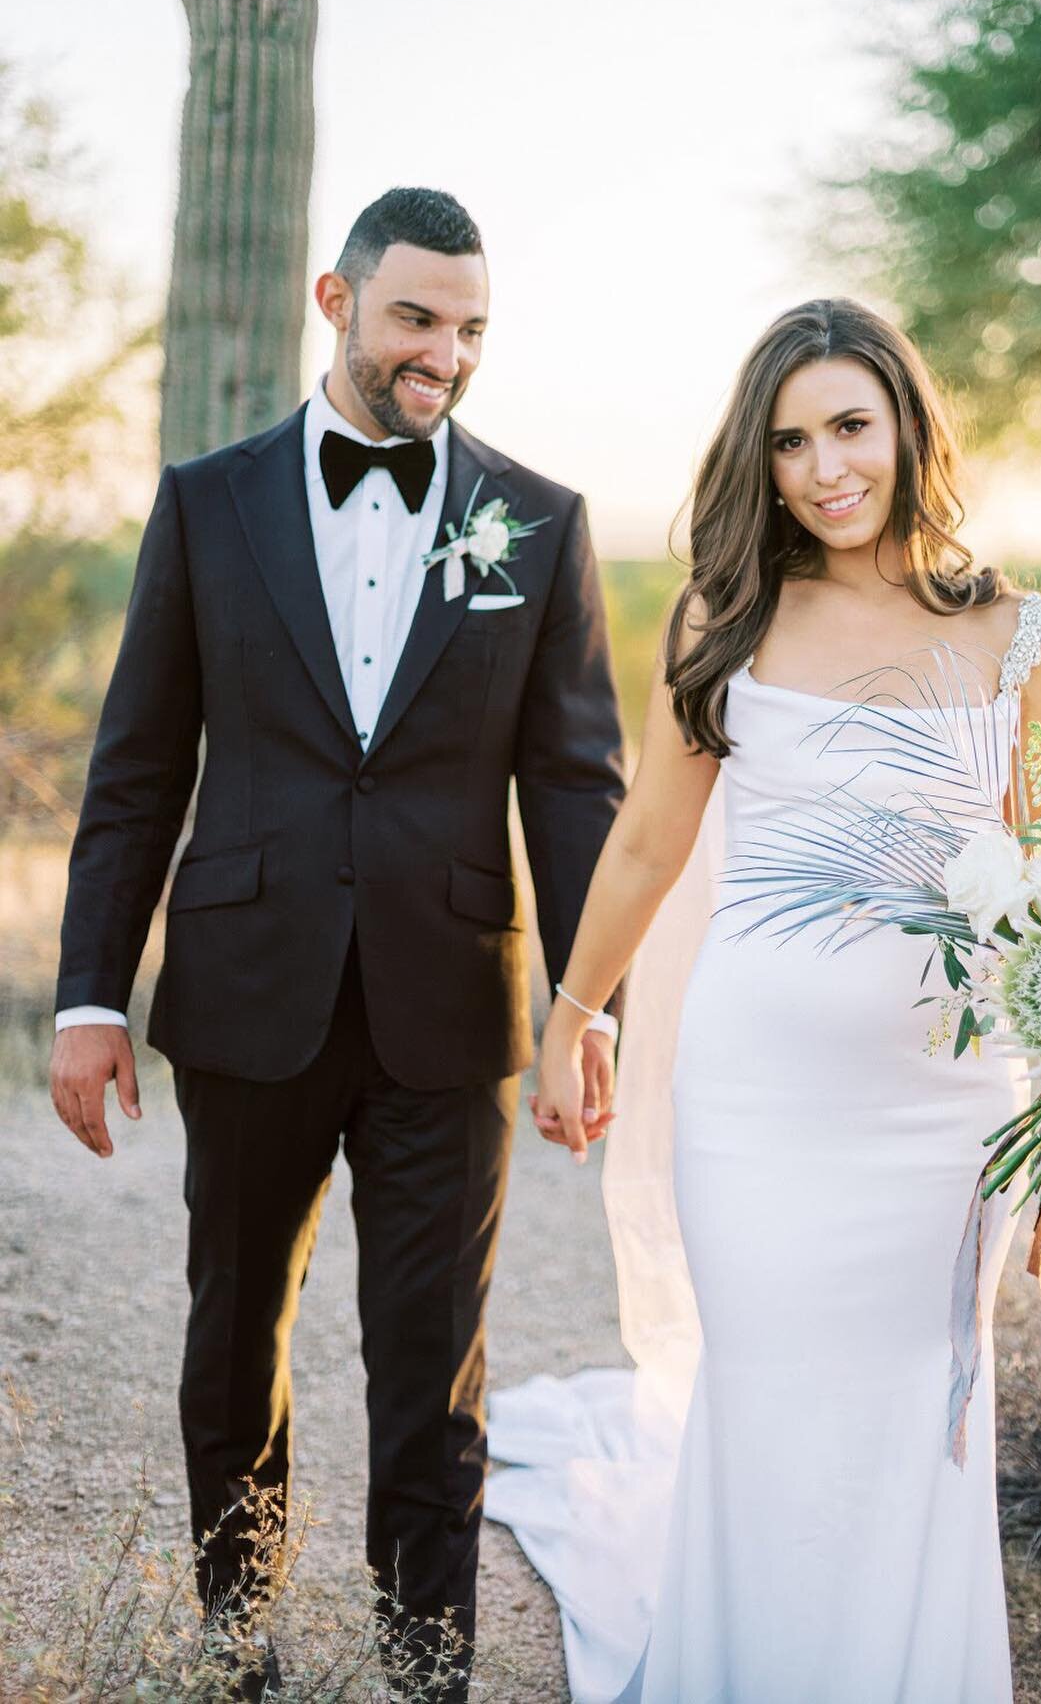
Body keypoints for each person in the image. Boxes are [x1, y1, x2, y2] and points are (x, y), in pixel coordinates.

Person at [48, 187, 626, 1700]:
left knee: (432, 1375)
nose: (444, 352)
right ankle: (238, 1651)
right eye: (416, 318)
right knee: (235, 1339)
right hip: (248, 993)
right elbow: (137, 764)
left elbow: (575, 784)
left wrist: (590, 1004)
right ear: (336, 301)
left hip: (452, 1010)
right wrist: (90, 994)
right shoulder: (208, 501)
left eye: (471, 327)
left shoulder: (541, 522)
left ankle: (426, 1669)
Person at [499, 296, 1041, 1702]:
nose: (826, 467)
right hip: (754, 1104)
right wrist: (573, 1013)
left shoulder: (1027, 640)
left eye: (849, 428)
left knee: (916, 1424)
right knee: (767, 1402)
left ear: (906, 428)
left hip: (947, 1118)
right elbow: (649, 839)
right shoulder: (729, 619)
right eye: (790, 441)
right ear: (758, 463)